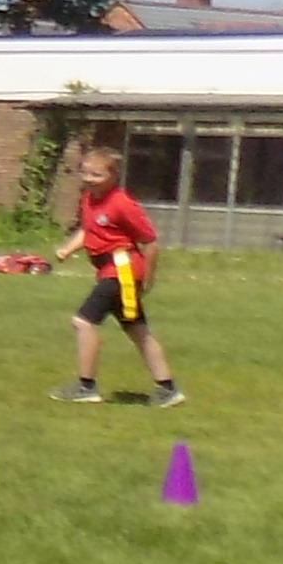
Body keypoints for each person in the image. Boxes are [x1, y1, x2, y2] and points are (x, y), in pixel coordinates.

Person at [51, 145, 182, 407]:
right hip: (109, 272)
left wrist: (148, 278)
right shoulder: (89, 199)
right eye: (85, 173)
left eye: (97, 175)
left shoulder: (122, 204)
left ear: (113, 176)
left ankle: (86, 387)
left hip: (122, 271)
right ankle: (168, 389)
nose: (90, 179)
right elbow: (88, 230)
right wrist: (67, 249)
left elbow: (150, 241)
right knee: (137, 329)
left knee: (83, 322)